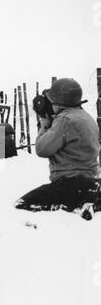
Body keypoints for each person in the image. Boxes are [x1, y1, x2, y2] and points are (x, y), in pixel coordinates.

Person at [15, 78, 101, 220]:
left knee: (22, 204)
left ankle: (74, 206)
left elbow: (42, 149)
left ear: (59, 103)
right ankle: (91, 203)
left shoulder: (65, 120)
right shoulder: (86, 117)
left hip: (71, 183)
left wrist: (44, 124)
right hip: (94, 182)